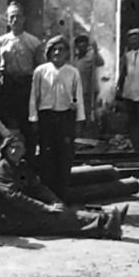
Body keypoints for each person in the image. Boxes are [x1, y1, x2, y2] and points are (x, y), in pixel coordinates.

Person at [0, 134, 125, 240]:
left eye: (18, 147)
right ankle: (105, 227)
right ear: (5, 150)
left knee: (62, 212)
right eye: (11, 147)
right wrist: (45, 208)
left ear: (24, 150)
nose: (14, 151)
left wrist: (55, 201)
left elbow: (38, 188)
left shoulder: (21, 167)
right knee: (55, 220)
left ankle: (106, 220)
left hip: (22, 213)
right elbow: (15, 198)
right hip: (8, 219)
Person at [29, 35, 85, 203]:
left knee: (64, 156)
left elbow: (77, 96)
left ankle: (63, 196)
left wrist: (78, 118)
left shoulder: (72, 72)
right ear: (49, 52)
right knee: (47, 157)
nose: (57, 53)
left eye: (61, 49)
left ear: (67, 52)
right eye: (54, 49)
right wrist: (34, 118)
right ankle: (48, 196)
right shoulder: (41, 71)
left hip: (65, 117)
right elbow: (34, 96)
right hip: (46, 117)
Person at [0, 1, 43, 153]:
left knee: (26, 123)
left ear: (24, 19)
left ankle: (28, 158)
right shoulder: (0, 42)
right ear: (7, 20)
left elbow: (39, 68)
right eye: (12, 17)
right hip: (7, 84)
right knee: (6, 122)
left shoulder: (33, 42)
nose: (15, 20)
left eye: (18, 16)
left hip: (25, 86)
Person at [73, 34, 104, 134]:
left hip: (89, 91)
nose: (81, 48)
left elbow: (101, 62)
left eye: (84, 45)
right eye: (79, 46)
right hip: (77, 91)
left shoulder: (91, 56)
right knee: (77, 112)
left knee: (88, 112)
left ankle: (89, 132)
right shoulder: (74, 60)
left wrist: (96, 50)